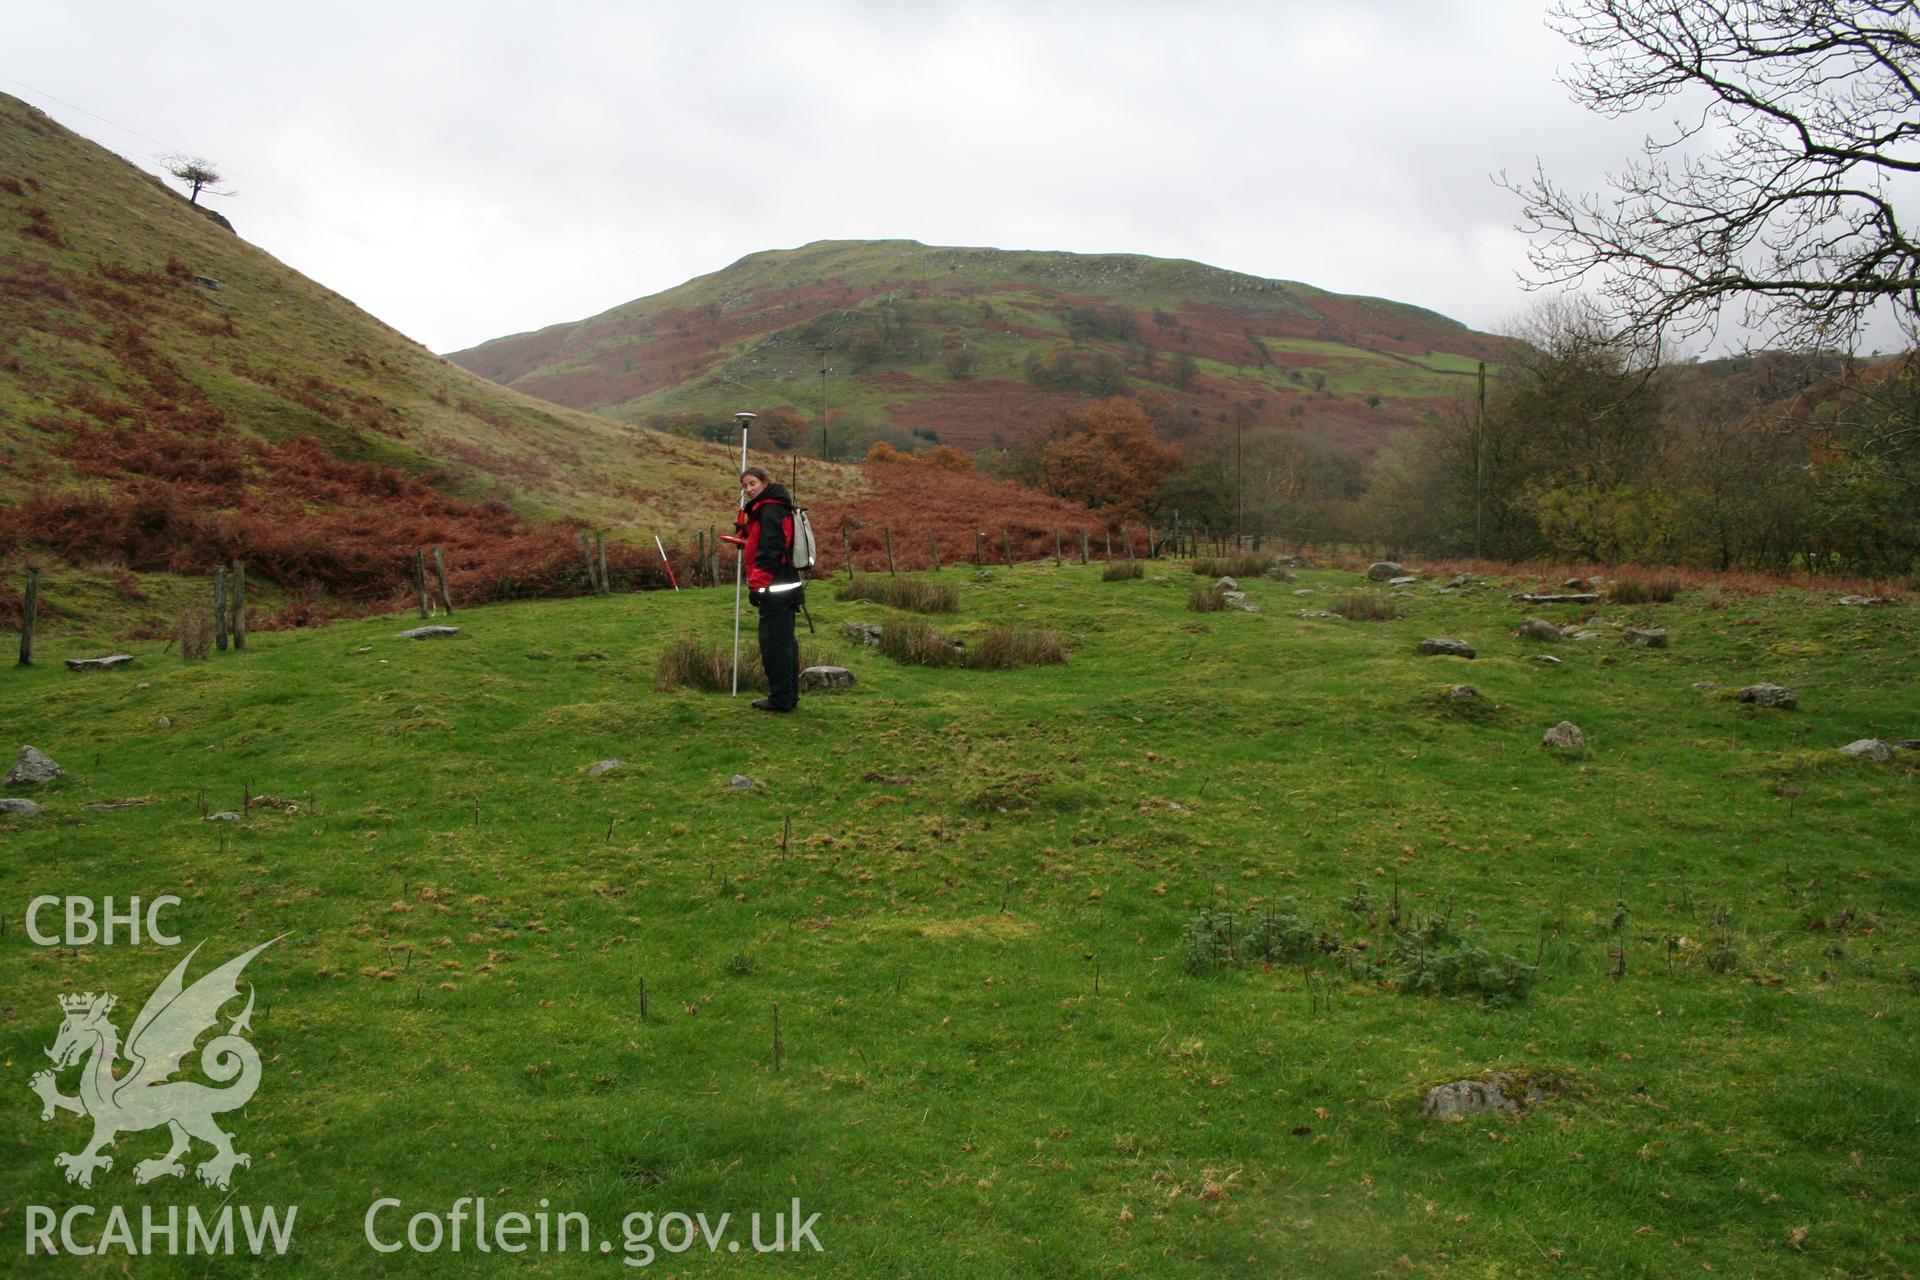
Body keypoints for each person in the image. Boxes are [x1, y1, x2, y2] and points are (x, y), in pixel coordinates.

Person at [733, 467, 803, 712]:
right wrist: (746, 534)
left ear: (764, 482)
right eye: (745, 486)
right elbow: (765, 541)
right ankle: (788, 696)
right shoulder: (774, 506)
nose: (749, 489)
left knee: (775, 644)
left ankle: (780, 699)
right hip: (786, 584)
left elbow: (770, 550)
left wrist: (758, 587)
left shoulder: (770, 508)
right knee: (785, 643)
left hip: (776, 587)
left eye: (752, 484)